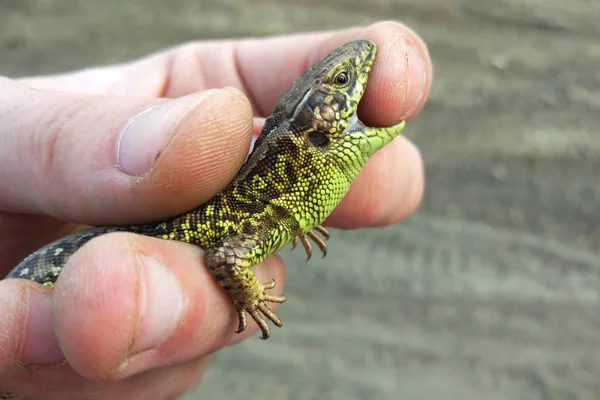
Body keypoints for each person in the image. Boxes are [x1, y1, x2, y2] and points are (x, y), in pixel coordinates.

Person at [0, 21, 431, 399]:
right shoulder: (256, 204)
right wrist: (252, 298)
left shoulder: (270, 202)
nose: (357, 70)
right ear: (316, 137)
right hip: (46, 276)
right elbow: (226, 256)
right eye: (340, 81)